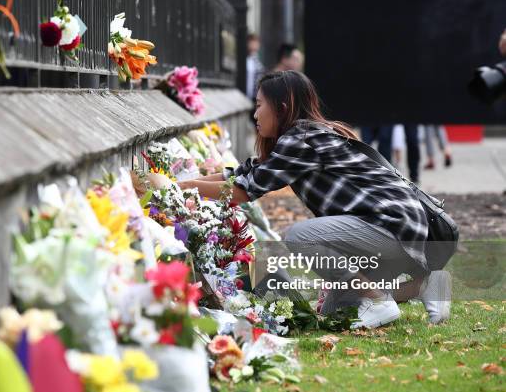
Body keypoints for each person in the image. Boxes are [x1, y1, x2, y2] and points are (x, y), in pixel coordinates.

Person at [165, 71, 450, 328]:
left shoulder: (300, 138)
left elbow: (242, 191)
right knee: (335, 310)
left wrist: (185, 187)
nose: (255, 114)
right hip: (397, 231)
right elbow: (244, 173)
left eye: (260, 105)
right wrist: (191, 180)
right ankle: (423, 286)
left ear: (282, 107)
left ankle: (377, 299)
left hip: (391, 227)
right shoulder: (310, 133)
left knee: (299, 236)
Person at [246, 33, 265, 100]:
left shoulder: (257, 62)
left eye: (256, 42)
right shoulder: (243, 60)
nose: (254, 45)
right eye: (252, 42)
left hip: (254, 98)